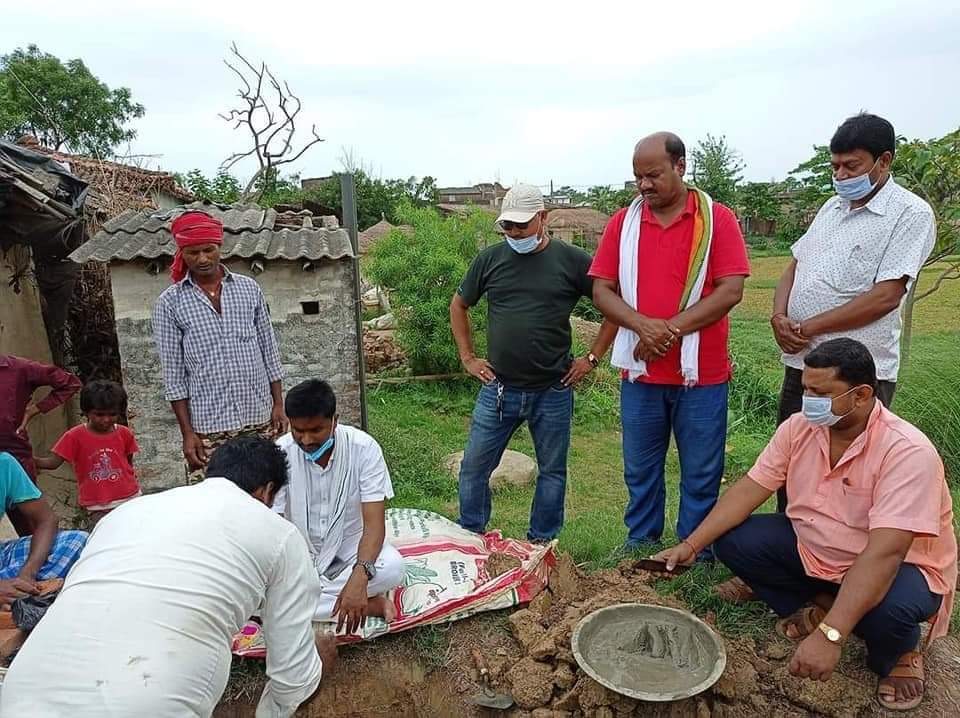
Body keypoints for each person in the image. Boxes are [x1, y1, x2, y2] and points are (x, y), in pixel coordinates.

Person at [653, 339, 957, 713]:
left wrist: (831, 637)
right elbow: (751, 487)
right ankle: (826, 606)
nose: (806, 399)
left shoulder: (907, 452)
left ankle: (900, 652)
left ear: (861, 395)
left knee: (888, 612)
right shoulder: (799, 428)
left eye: (819, 392)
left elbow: (886, 553)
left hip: (899, 565)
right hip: (819, 547)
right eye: (805, 387)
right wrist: (692, 545)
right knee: (731, 540)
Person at [1, 437, 334, 718]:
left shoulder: (126, 513)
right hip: (144, 701)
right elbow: (292, 680)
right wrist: (317, 664)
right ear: (266, 491)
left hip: (21, 694)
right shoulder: (279, 534)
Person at [590, 132, 749, 554]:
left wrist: (667, 330)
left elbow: (730, 290)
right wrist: (644, 326)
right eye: (638, 177)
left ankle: (696, 549)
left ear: (680, 166)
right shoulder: (622, 224)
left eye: (654, 175)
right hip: (642, 374)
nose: (644, 185)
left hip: (703, 375)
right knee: (640, 468)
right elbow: (602, 291)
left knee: (701, 470)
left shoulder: (718, 220)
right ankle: (641, 542)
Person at [771, 113, 935, 509]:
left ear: (884, 161)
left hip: (856, 374)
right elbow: (795, 264)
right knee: (792, 462)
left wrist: (810, 325)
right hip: (804, 364)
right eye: (835, 166)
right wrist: (779, 316)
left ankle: (841, 562)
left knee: (849, 473)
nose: (841, 175)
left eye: (852, 166)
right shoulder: (832, 208)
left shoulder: (910, 214)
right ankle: (787, 553)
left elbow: (886, 296)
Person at [451, 183, 617, 542]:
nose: (513, 233)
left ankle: (541, 543)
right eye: (507, 226)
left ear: (542, 218)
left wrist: (591, 358)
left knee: (552, 471)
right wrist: (468, 357)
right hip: (499, 390)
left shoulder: (571, 260)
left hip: (552, 390)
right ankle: (472, 539)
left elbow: (612, 307)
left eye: (521, 225)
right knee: (474, 468)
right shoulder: (490, 260)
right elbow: (459, 305)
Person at [152, 210, 287, 482]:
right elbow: (174, 376)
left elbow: (269, 351)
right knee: (213, 505)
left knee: (266, 496)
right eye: (192, 253)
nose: (202, 259)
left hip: (258, 417)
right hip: (208, 427)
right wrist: (187, 433)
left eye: (208, 250)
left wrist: (278, 405)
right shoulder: (169, 304)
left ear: (219, 248)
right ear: (182, 253)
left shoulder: (249, 290)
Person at [274, 379, 405, 630]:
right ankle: (369, 605)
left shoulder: (364, 449)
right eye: (298, 430)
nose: (306, 439)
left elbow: (374, 525)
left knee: (393, 567)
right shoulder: (280, 453)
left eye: (315, 430)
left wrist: (360, 575)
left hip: (349, 551)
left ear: (335, 419)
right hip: (300, 552)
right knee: (257, 590)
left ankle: (297, 608)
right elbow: (272, 523)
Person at [34, 380, 141, 525]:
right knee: (104, 539)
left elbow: (128, 462)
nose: (106, 420)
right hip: (98, 506)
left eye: (112, 414)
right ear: (86, 412)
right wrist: (26, 458)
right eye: (99, 414)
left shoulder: (124, 433)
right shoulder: (74, 436)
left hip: (130, 499)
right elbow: (52, 463)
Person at [0, 452, 87, 607]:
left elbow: (47, 520)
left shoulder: (4, 464)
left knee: (76, 541)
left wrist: (27, 573)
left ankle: (16, 589)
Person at [0, 352, 81, 483]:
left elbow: (69, 384)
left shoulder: (20, 368)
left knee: (22, 501)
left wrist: (33, 410)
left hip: (15, 454)